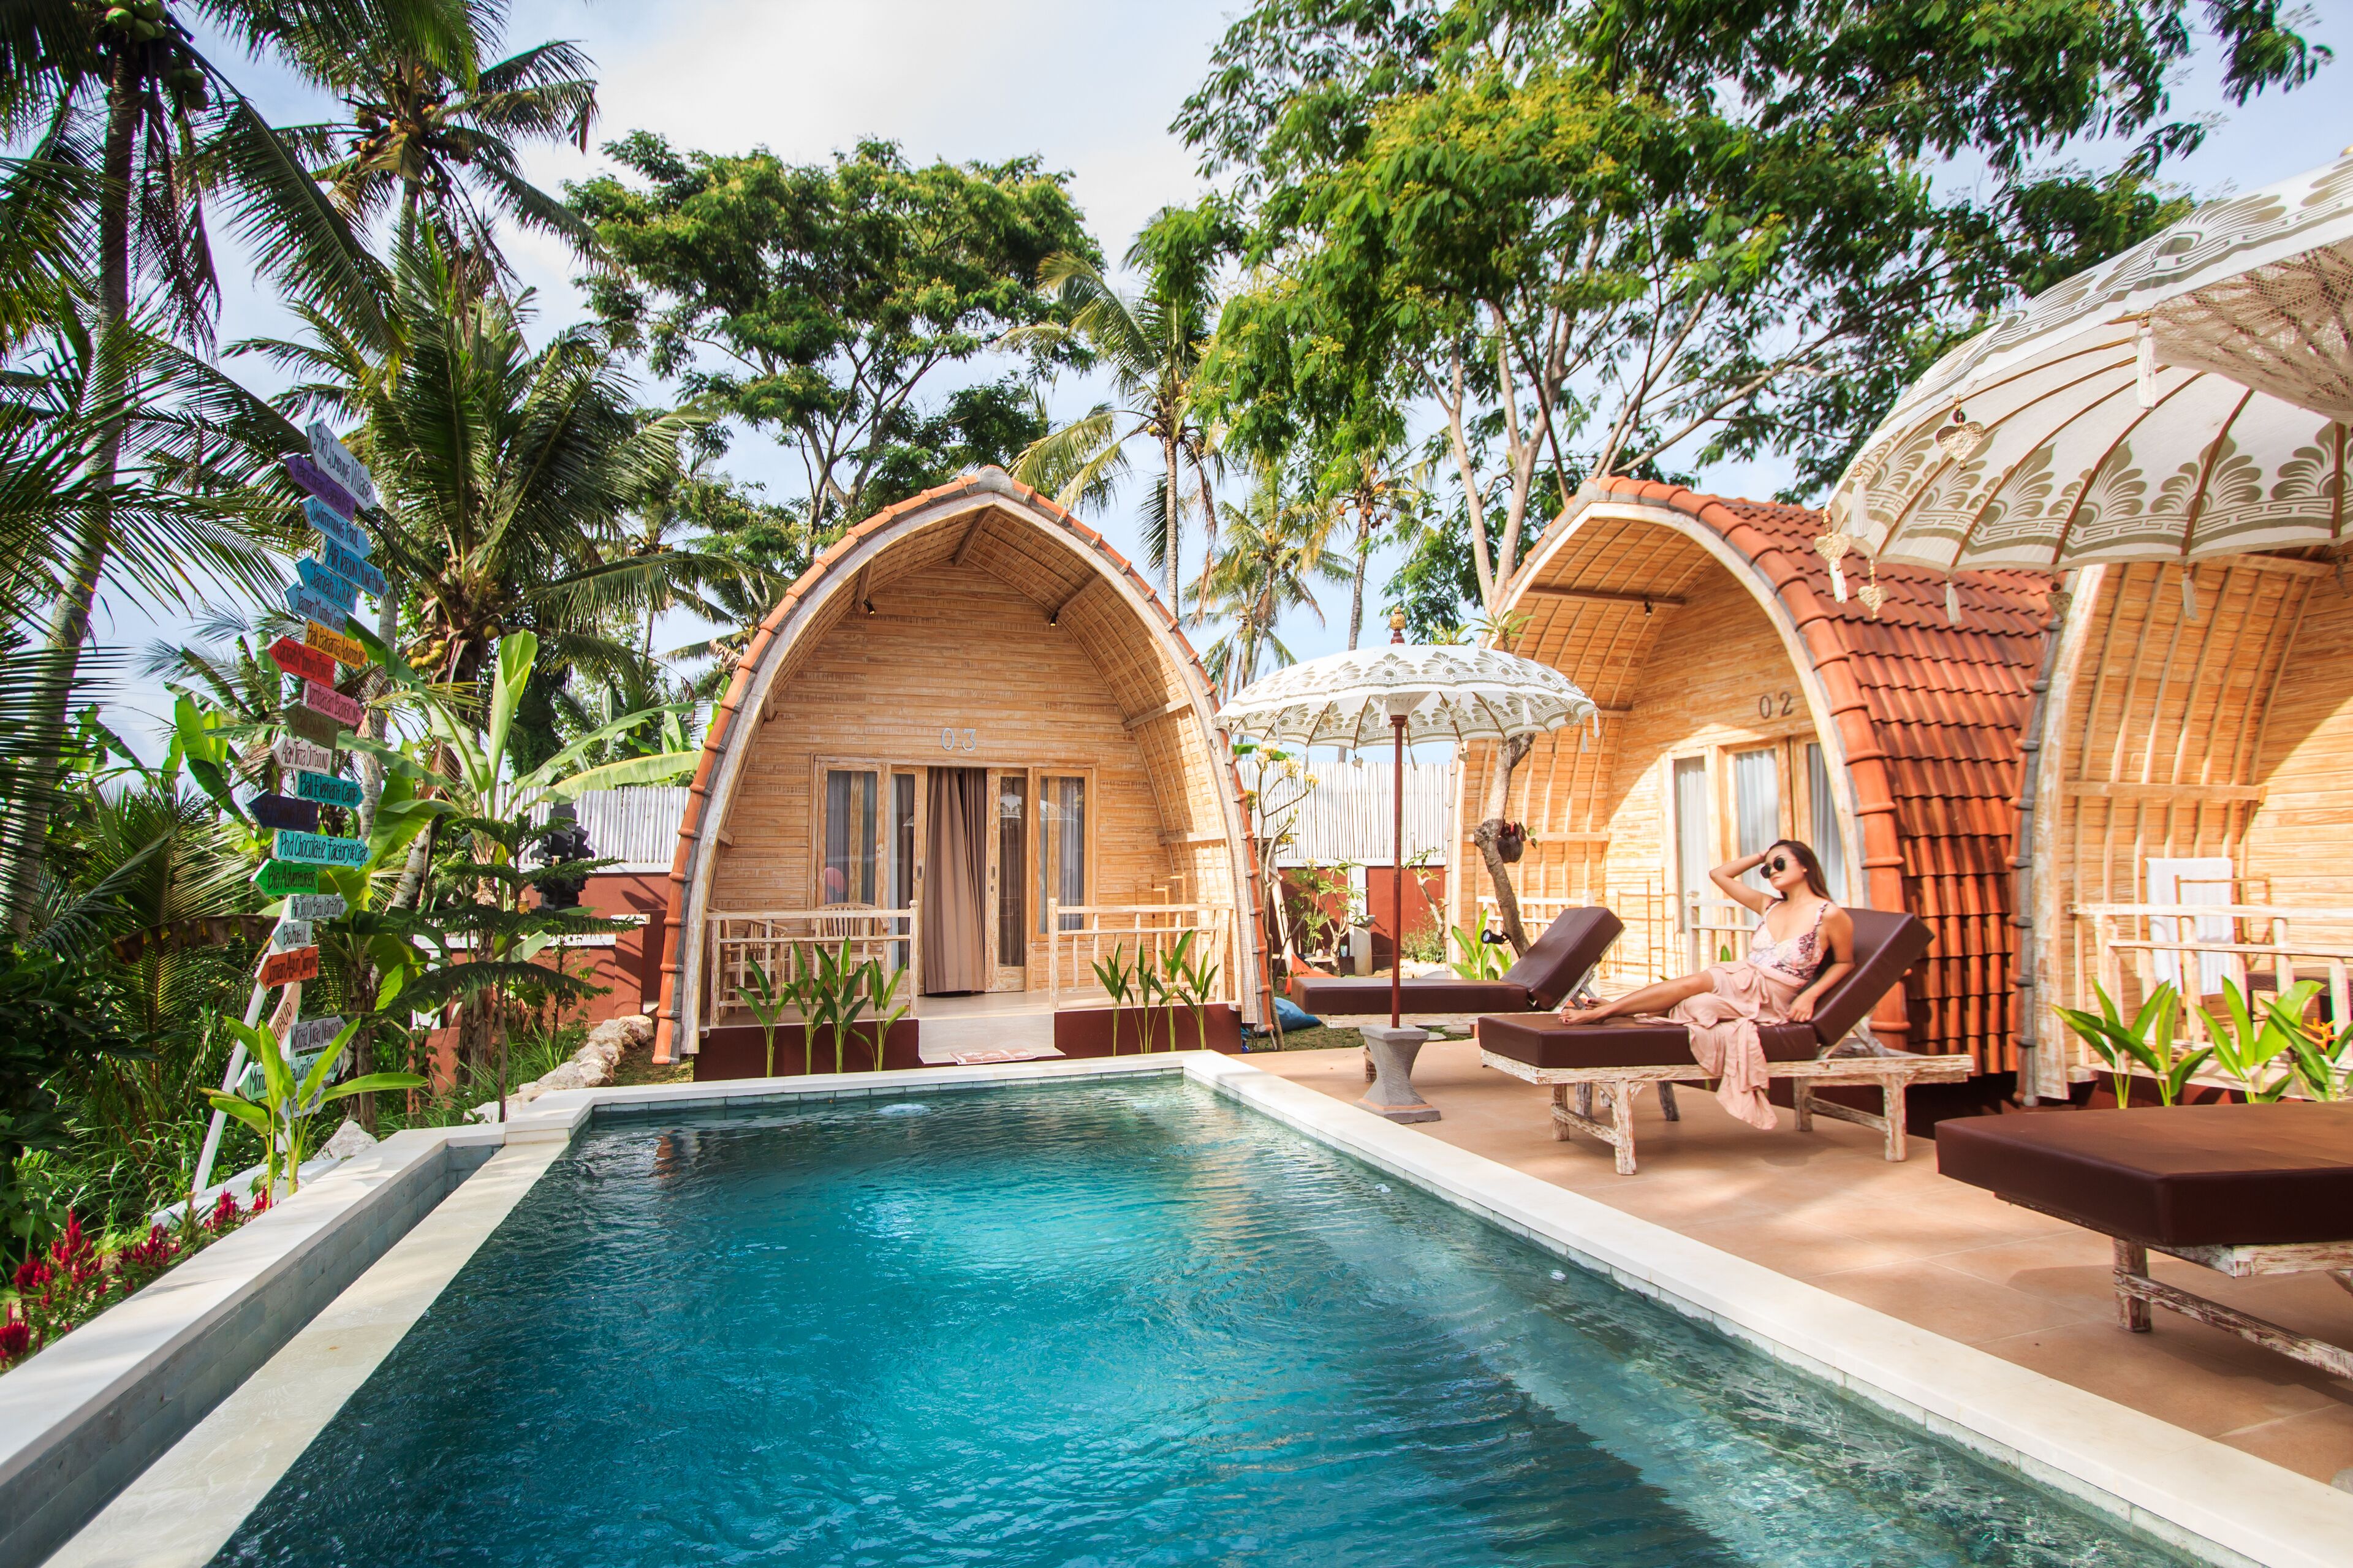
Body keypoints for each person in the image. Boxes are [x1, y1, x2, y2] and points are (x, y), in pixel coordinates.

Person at [1555, 841, 1855, 1129]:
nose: (1771, 872)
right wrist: (1764, 854)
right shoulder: (1770, 906)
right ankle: (1620, 1011)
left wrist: (1810, 996)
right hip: (1744, 977)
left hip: (1773, 994)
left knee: (1698, 992)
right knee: (1696, 999)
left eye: (1779, 863)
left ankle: (1608, 1012)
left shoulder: (1828, 914)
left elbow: (1845, 963)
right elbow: (1719, 875)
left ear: (1805, 866)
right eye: (1766, 869)